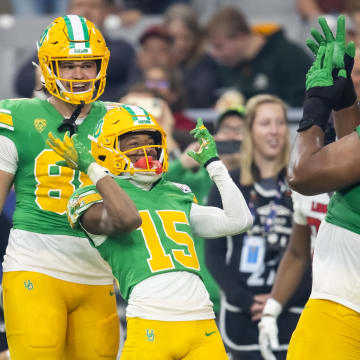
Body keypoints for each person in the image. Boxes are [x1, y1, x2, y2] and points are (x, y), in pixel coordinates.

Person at [47, 106, 253, 359]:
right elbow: (129, 219)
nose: (146, 151)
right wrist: (93, 170)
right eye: (133, 144)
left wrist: (215, 166)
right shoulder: (90, 196)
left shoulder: (176, 192)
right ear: (107, 150)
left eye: (151, 143)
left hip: (202, 324)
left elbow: (239, 221)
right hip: (150, 321)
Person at [0, 14, 140, 359]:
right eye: (68, 65)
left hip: (98, 271)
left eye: (87, 65)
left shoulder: (120, 120)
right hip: (36, 264)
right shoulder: (16, 115)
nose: (79, 74)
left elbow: (139, 203)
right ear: (49, 68)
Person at [205, 94, 312, 360]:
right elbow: (214, 253)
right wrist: (245, 300)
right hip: (242, 312)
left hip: (293, 308)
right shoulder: (227, 183)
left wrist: (279, 300)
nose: (274, 131)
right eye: (265, 123)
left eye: (279, 123)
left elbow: (313, 252)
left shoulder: (304, 181)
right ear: (249, 130)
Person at [284, 14, 360, 359]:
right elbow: (350, 165)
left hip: (343, 307)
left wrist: (316, 102)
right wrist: (345, 103)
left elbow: (302, 175)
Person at [165, 106, 246, 315]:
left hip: (246, 296)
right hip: (199, 298)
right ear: (215, 136)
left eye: (240, 130)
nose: (233, 135)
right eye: (227, 129)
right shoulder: (197, 182)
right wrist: (182, 164)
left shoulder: (256, 182)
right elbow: (154, 191)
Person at [15, 0, 135, 102]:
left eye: (93, 6)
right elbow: (22, 82)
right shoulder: (52, 46)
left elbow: (126, 75)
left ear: (106, 12)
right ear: (68, 11)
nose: (85, 11)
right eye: (79, 5)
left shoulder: (121, 47)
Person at [205, 7, 312, 107]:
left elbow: (302, 103)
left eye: (219, 46)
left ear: (240, 38)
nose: (214, 53)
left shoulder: (290, 56)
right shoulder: (225, 64)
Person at [163, 3, 218, 108]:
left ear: (196, 37)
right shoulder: (156, 59)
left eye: (186, 38)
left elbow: (200, 98)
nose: (180, 45)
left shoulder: (206, 63)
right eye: (173, 38)